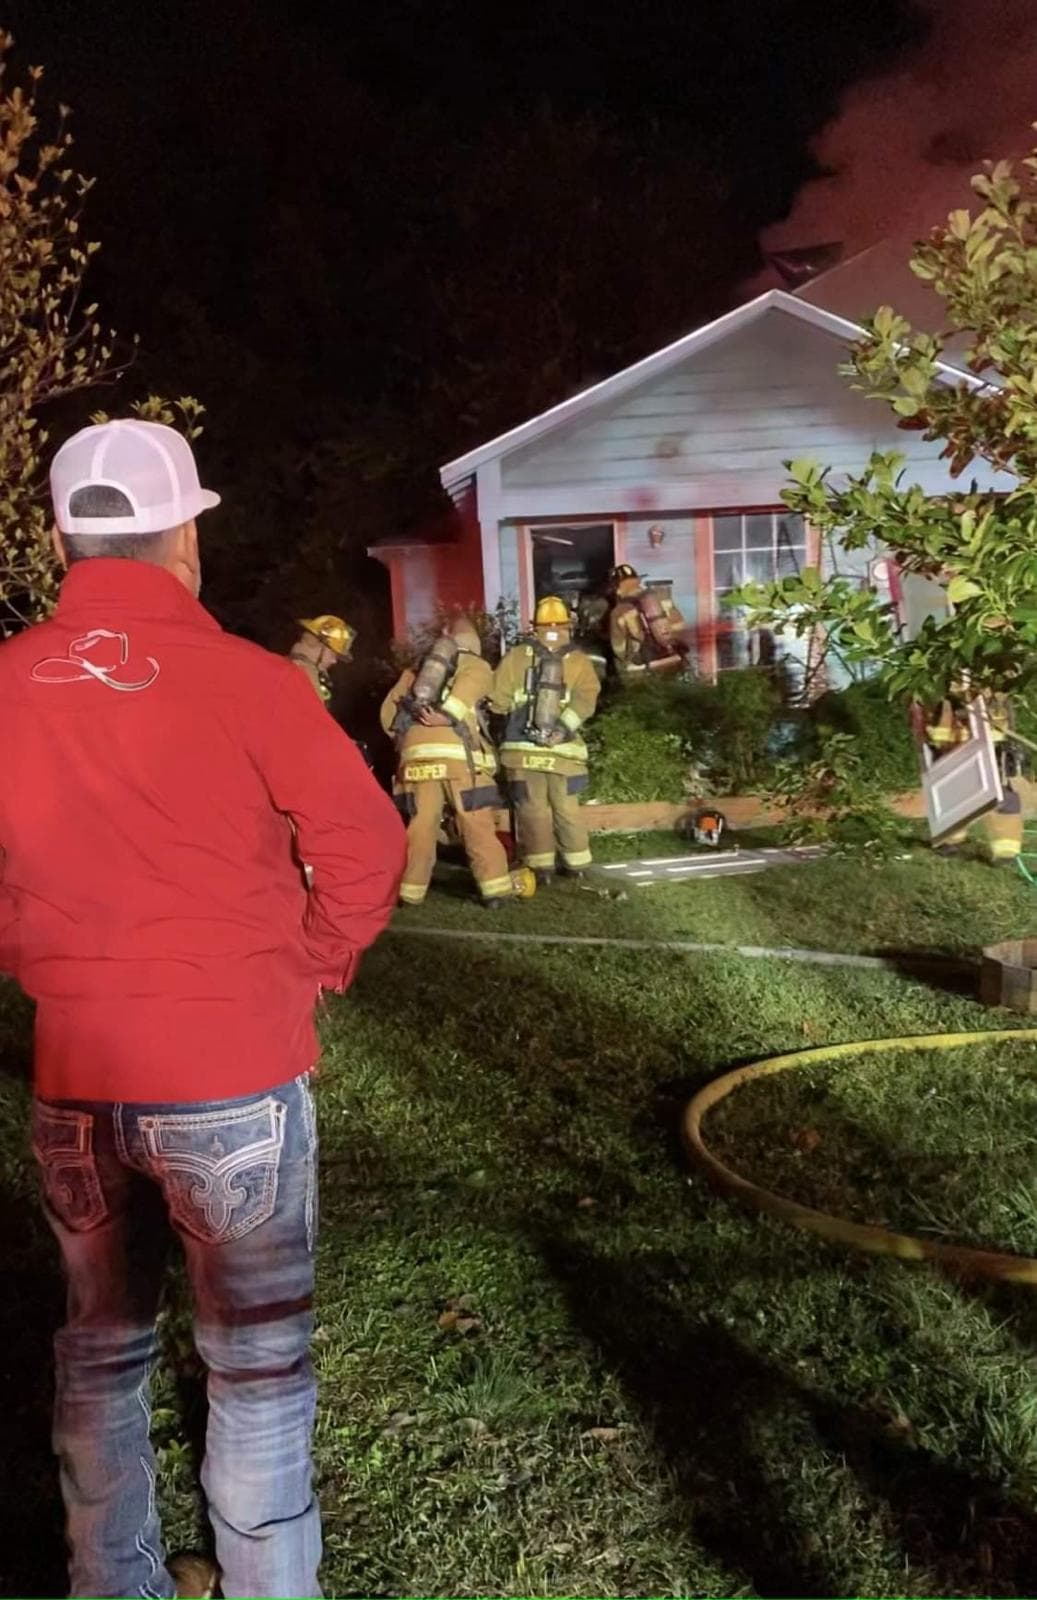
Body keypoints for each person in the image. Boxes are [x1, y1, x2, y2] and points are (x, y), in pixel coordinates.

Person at [0, 419, 405, 1600]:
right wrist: (314, 958)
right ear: (182, 534)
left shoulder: (7, 684)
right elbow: (364, 845)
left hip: (75, 1078)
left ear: (67, 540)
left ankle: (109, 1581)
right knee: (256, 1366)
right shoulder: (247, 680)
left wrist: (36, 952)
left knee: (99, 1347)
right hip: (233, 1072)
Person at [380, 615, 515, 907]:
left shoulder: (413, 673)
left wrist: (412, 741)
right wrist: (448, 715)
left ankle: (409, 892)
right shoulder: (475, 665)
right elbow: (471, 686)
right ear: (472, 645)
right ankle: (495, 891)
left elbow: (387, 718)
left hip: (416, 762)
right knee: (475, 822)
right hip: (458, 761)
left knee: (420, 825)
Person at [491, 595, 601, 884]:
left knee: (532, 807)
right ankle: (577, 864)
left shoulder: (516, 656)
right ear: (567, 625)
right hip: (563, 752)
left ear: (535, 627)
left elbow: (497, 700)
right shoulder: (579, 661)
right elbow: (587, 701)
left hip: (521, 749)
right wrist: (562, 729)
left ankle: (541, 869)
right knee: (566, 807)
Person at [916, 693, 1024, 865]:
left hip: (989, 754)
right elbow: (937, 735)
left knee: (1005, 799)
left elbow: (1006, 725)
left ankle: (1006, 852)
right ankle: (949, 840)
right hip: (956, 756)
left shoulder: (995, 695)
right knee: (955, 800)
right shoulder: (945, 700)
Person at [608, 563, 688, 676]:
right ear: (637, 581)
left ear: (617, 588)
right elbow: (680, 625)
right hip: (673, 658)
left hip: (646, 667)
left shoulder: (619, 611)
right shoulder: (662, 597)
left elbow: (618, 648)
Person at [289, 613, 356, 703]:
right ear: (319, 644)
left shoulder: (289, 664)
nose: (334, 661)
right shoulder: (307, 676)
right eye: (333, 654)